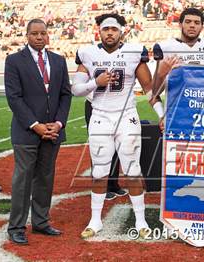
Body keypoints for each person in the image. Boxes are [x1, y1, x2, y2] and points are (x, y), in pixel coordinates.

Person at [72, 13, 160, 239]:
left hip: (126, 117)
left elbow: (149, 89)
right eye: (105, 29)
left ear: (122, 31)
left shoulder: (133, 52)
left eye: (114, 29)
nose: (109, 33)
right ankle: (95, 220)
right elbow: (76, 89)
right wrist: (96, 82)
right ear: (99, 31)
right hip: (100, 116)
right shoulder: (88, 53)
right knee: (100, 172)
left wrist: (162, 115)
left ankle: (140, 221)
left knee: (133, 170)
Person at [4, 19, 72, 245]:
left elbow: (65, 95)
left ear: (48, 35)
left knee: (45, 178)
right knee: (22, 181)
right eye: (35, 34)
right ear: (27, 35)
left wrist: (59, 123)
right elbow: (14, 97)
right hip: (27, 132)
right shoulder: (14, 61)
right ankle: (16, 227)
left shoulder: (59, 60)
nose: (40, 37)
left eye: (43, 33)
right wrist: (35, 125)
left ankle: (41, 222)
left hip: (53, 131)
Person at [151, 8, 204, 116]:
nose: (192, 25)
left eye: (197, 23)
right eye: (188, 22)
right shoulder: (166, 47)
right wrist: (161, 74)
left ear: (202, 27)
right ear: (180, 24)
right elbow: (154, 93)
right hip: (177, 111)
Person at [83, 93, 127, 201]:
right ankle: (100, 188)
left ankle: (113, 183)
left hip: (115, 107)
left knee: (116, 144)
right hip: (95, 105)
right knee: (100, 147)